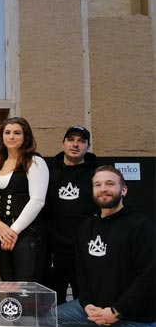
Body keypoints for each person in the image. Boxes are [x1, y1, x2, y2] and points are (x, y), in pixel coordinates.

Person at [57, 166, 155, 327]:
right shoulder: (86, 228)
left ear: (123, 190)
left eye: (110, 184)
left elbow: (149, 277)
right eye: (98, 184)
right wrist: (86, 304)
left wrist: (117, 311)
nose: (103, 189)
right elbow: (82, 273)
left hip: (133, 319)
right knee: (51, 319)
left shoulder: (141, 226)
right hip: (95, 310)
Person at [0, 117, 49, 282]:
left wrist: (14, 230)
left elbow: (37, 200)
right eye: (7, 133)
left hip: (26, 232)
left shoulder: (34, 161)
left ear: (26, 136)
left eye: (17, 133)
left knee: (25, 285)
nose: (11, 137)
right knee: (8, 283)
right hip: (0, 232)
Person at [43, 126, 98, 304]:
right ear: (63, 143)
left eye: (81, 141)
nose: (75, 144)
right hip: (54, 251)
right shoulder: (48, 171)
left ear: (88, 146)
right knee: (52, 305)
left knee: (86, 304)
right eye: (71, 139)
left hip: (85, 250)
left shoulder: (97, 174)